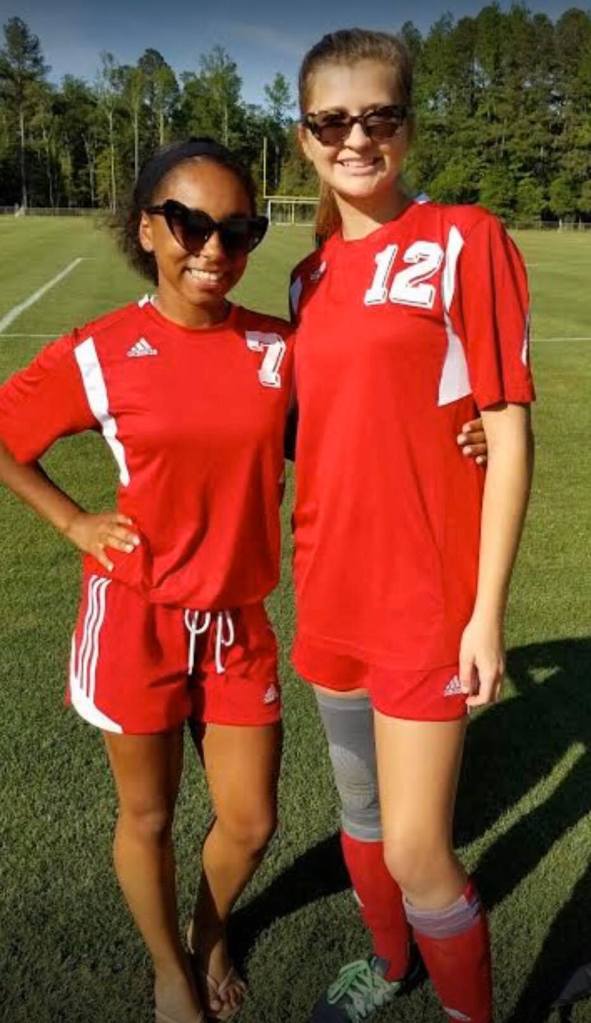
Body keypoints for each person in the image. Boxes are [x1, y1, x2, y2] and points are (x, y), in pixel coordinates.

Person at [0, 137, 291, 1023]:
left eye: (237, 230)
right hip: (136, 614)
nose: (213, 248)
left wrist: (467, 431)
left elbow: (355, 433)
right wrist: (73, 521)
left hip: (236, 619)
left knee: (250, 821)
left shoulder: (280, 349)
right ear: (148, 229)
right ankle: (170, 967)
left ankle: (209, 929)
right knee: (150, 815)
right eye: (190, 224)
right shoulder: (100, 351)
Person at [289, 28, 535, 1023]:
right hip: (328, 590)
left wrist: (486, 614)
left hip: (424, 601)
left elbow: (508, 433)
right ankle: (390, 965)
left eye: (378, 115)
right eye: (331, 121)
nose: (356, 138)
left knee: (416, 848)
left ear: (409, 125)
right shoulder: (307, 278)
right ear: (304, 137)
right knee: (358, 817)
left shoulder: (465, 238)